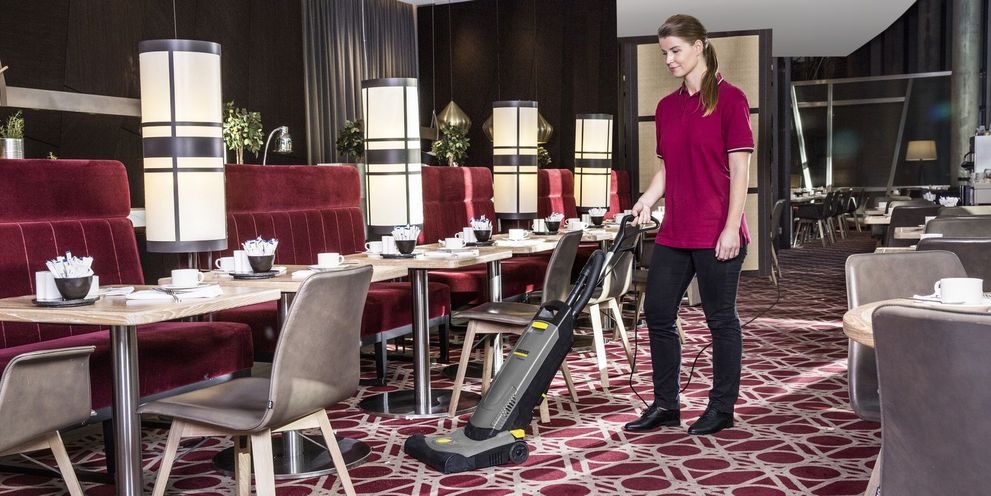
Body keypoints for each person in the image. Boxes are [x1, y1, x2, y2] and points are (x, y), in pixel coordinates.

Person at [623, 14, 753, 436]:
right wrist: (645, 200)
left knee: (720, 320)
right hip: (676, 231)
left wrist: (732, 227)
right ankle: (666, 406)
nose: (669, 60)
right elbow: (666, 170)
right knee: (658, 313)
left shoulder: (730, 100)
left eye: (675, 50)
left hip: (718, 230)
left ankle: (721, 408)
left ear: (699, 46)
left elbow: (740, 170)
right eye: (664, 53)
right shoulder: (665, 107)